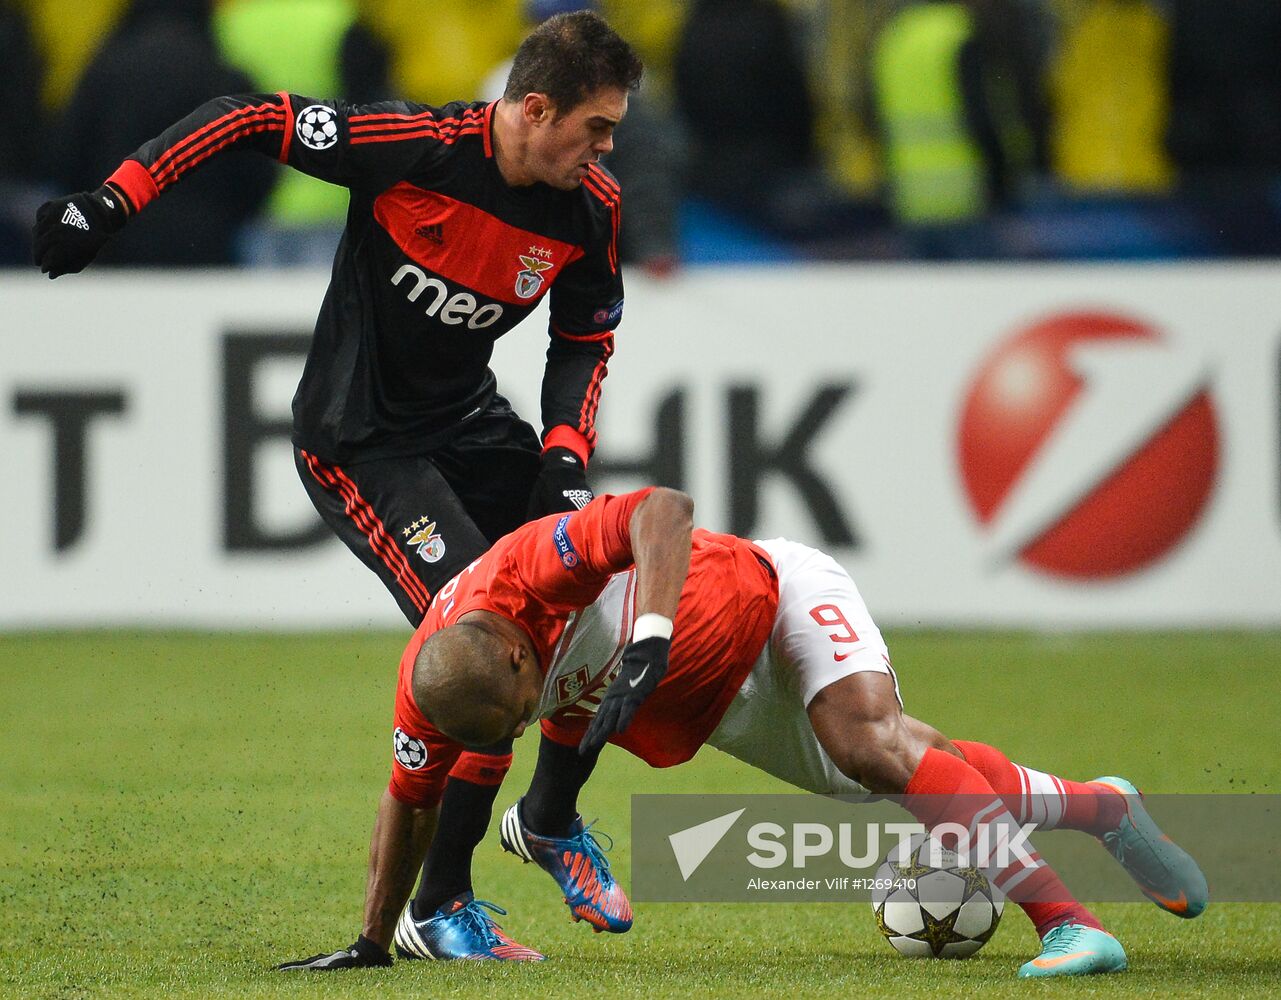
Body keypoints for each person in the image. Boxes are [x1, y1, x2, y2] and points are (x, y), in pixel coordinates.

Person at [32, 8, 644, 957]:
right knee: (485, 649)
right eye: (598, 125)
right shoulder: (414, 147)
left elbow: (585, 339)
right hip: (360, 443)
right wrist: (111, 202)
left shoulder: (589, 207)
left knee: (588, 598)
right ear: (533, 108)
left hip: (470, 427)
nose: (608, 147)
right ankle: (439, 908)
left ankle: (550, 818)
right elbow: (244, 116)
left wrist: (564, 458)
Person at [301, 486, 1209, 975]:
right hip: (716, 704)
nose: (524, 723)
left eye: (521, 709)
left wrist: (648, 638)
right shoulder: (438, 692)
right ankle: (1100, 809)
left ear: (511, 659)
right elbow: (408, 803)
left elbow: (663, 511)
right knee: (893, 771)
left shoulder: (531, 569)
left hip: (774, 597)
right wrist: (375, 942)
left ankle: (1068, 925)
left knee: (871, 745)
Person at [45, 0, 277, 266]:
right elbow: (258, 172)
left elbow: (66, 158)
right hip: (205, 245)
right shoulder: (224, 77)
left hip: (116, 242)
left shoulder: (105, 71)